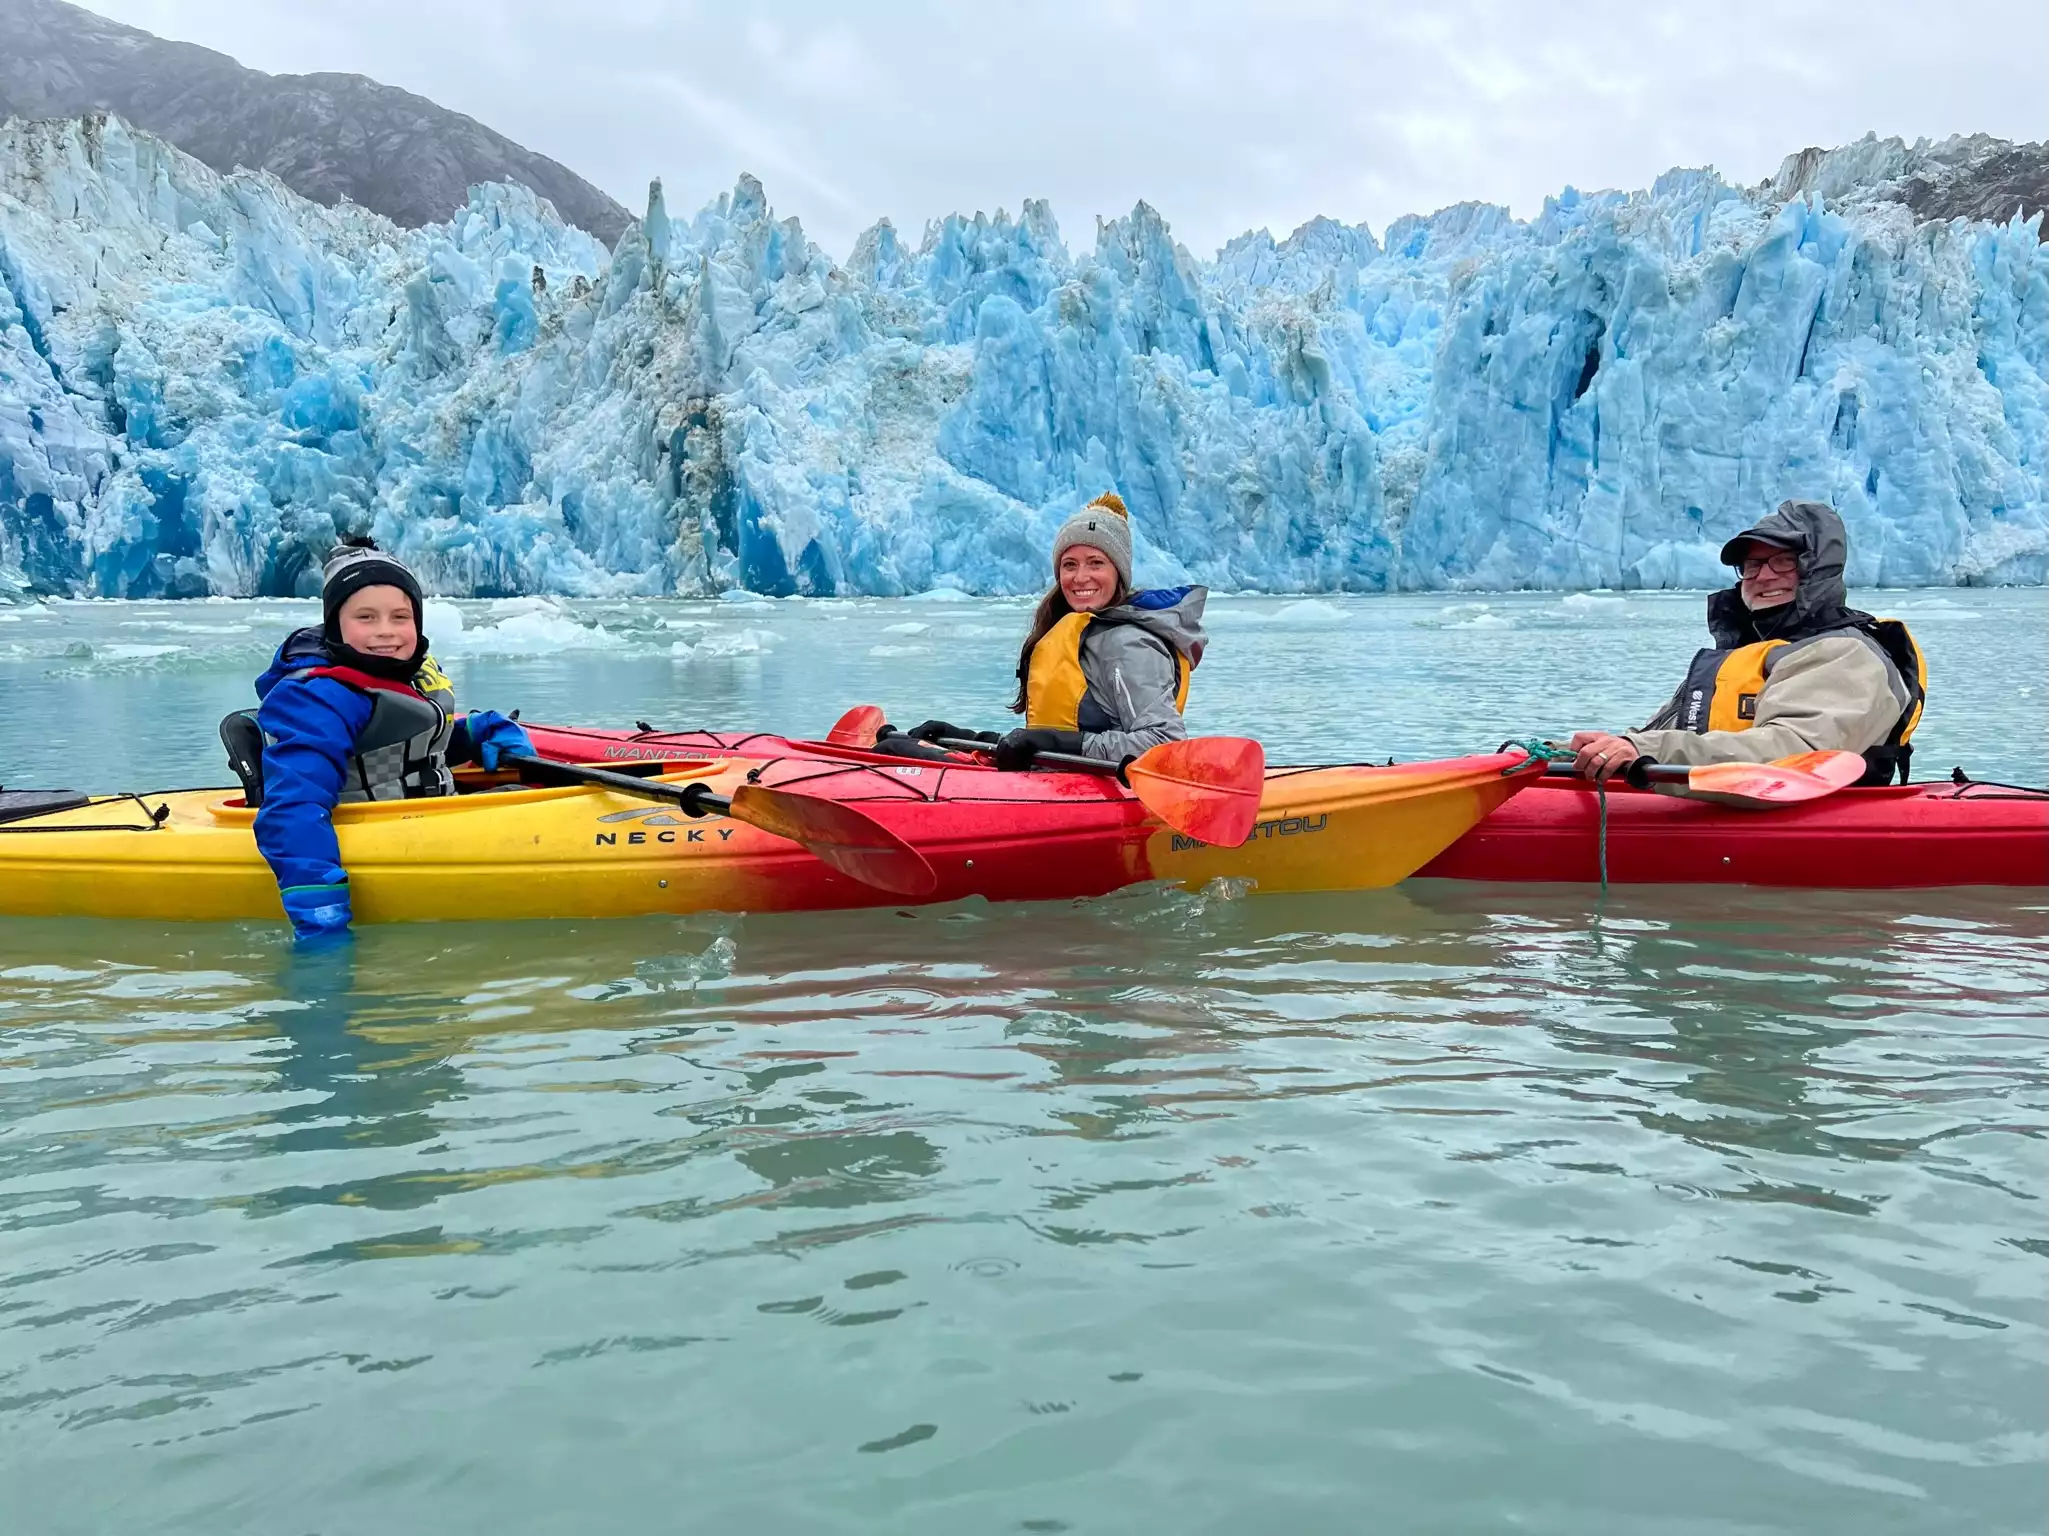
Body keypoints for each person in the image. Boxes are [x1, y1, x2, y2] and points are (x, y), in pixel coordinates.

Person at [243, 539, 532, 941]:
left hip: (426, 817)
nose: (386, 632)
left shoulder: (406, 674)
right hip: (366, 834)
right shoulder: (318, 696)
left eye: (400, 616)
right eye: (366, 617)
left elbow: (397, 749)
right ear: (336, 624)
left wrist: (474, 731)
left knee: (522, 789)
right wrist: (315, 901)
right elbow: (294, 802)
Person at [1568, 500, 1925, 786]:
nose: (1763, 576)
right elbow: (1656, 739)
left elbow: (1795, 752)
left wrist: (1643, 749)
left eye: (1784, 562)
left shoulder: (1844, 654)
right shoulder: (1753, 655)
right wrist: (1589, 752)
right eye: (1752, 566)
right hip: (1709, 808)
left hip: (1792, 827)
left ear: (1816, 570)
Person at [894, 492, 1207, 770]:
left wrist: (1055, 744)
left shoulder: (1129, 643)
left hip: (1099, 789)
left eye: (1095, 563)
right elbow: (1050, 733)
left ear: (1119, 572)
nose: (1080, 577)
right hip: (1058, 780)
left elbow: (1163, 742)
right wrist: (970, 739)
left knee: (895, 749)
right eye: (1069, 565)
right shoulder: (1074, 631)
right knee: (897, 747)